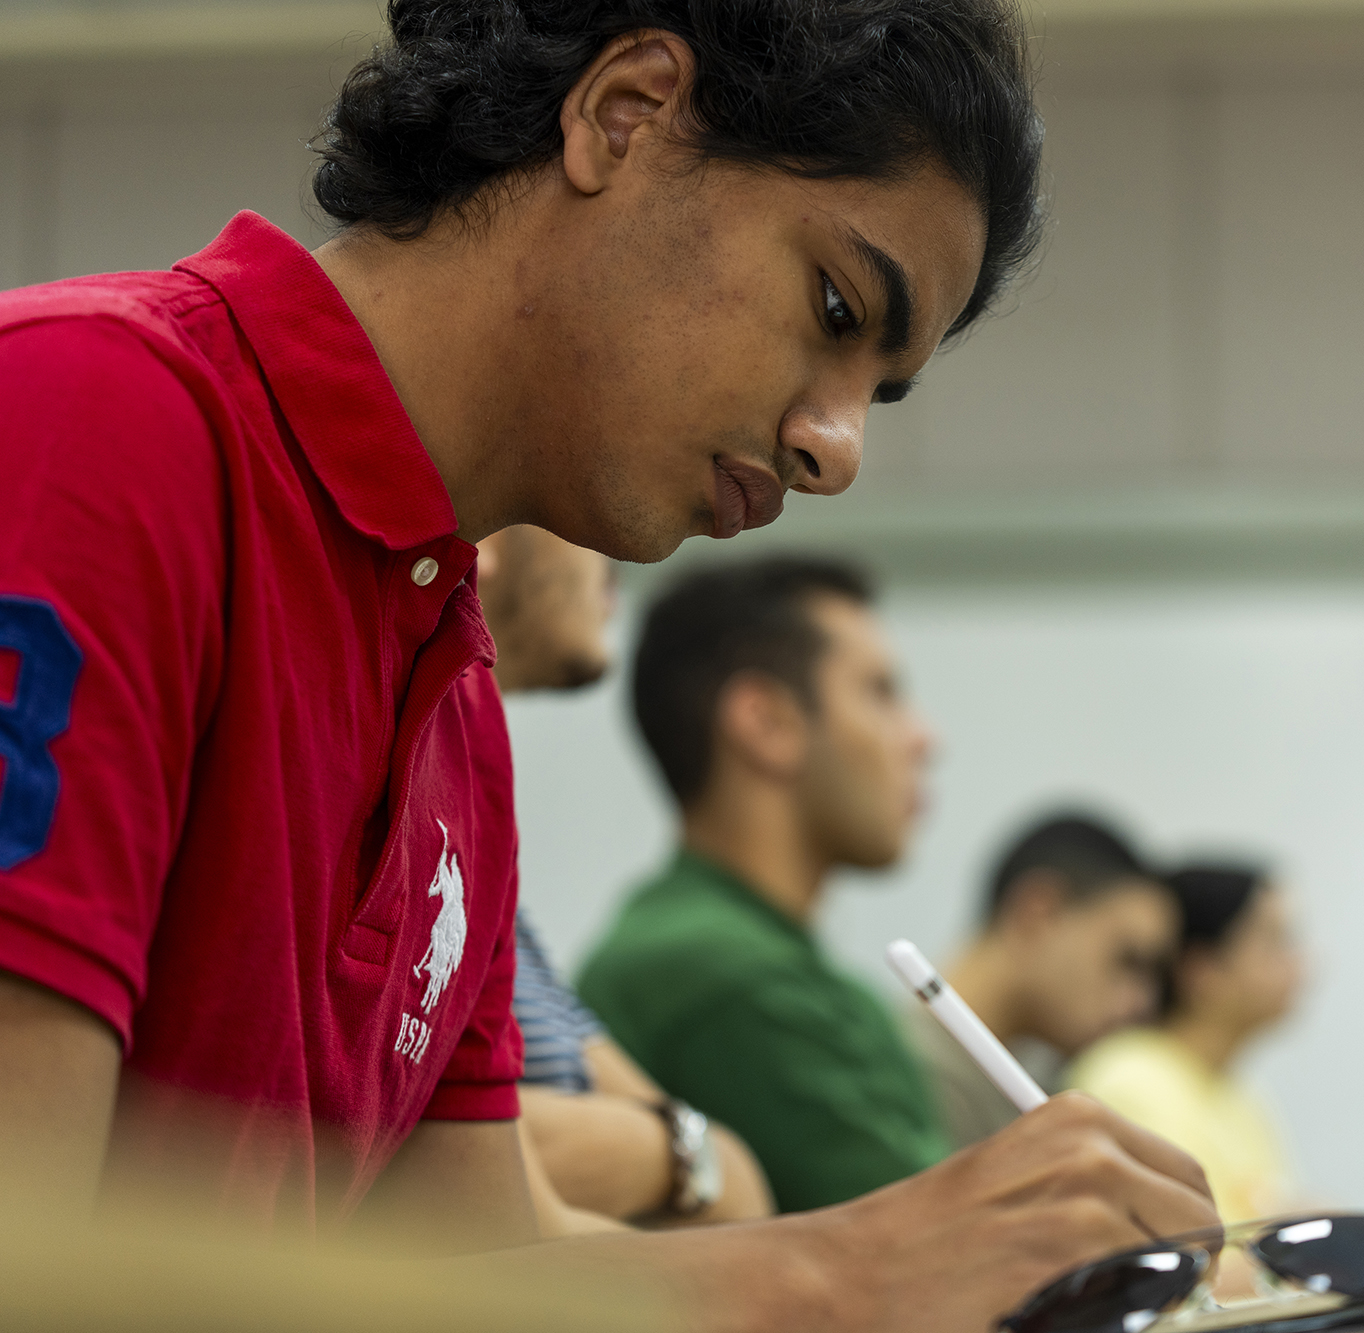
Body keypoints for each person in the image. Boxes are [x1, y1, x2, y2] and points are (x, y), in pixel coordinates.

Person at [0, 0, 1220, 1325]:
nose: (837, 448)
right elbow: (29, 1248)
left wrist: (902, 1257)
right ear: (626, 112)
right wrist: (835, 1271)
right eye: (833, 304)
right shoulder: (93, 416)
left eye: (878, 388)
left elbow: (483, 1285)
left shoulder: (453, 706)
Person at [579, 556, 948, 1213]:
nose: (925, 737)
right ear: (767, 723)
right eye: (881, 692)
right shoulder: (733, 978)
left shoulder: (700, 943)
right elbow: (960, 1255)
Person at [476, 525, 772, 1231]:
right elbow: (437, 1171)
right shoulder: (386, 817)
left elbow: (728, 1178)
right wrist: (684, 1154)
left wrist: (680, 1153)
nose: (620, 548)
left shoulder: (482, 851)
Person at [908, 813, 1180, 1150]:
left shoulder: (1039, 1090)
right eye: (1128, 961)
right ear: (1039, 912)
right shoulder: (899, 1069)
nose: (1142, 1001)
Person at [1068, 862, 1307, 1225]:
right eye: (1274, 942)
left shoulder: (1244, 1101)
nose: (1301, 964)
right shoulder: (1130, 1078)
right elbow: (1181, 1264)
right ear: (1202, 969)